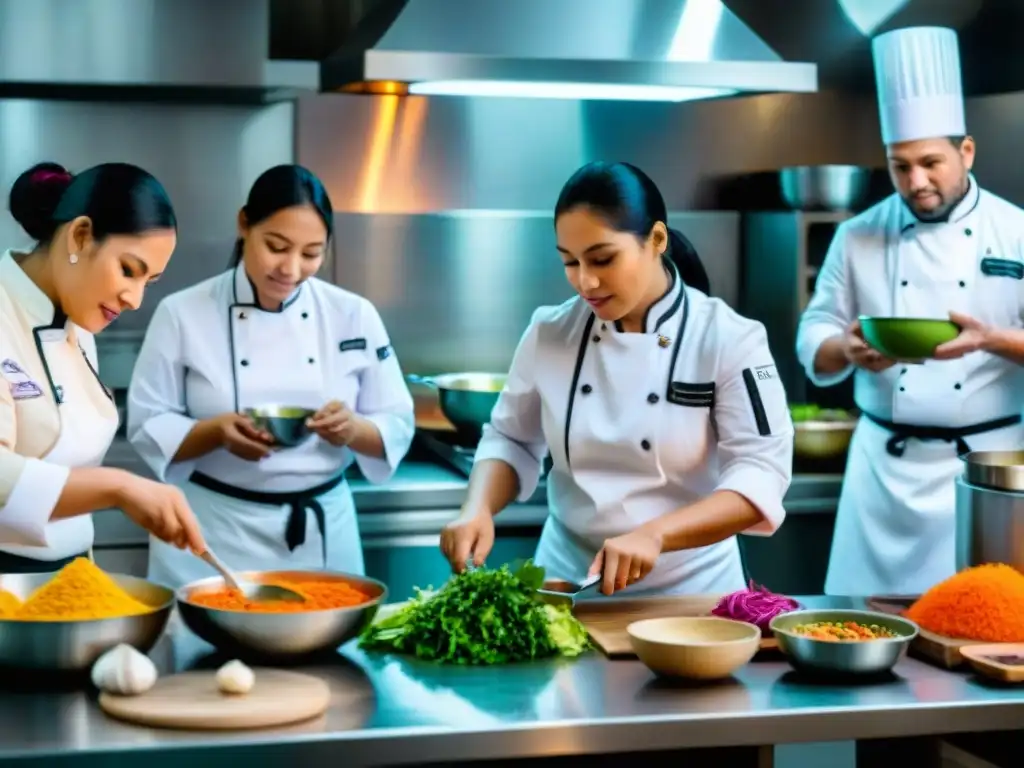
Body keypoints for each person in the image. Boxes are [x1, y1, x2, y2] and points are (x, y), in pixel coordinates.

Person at [439, 161, 793, 595]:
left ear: (656, 240)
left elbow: (760, 472)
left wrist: (655, 534)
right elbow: (510, 438)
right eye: (569, 262)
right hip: (568, 585)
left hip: (692, 594)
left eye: (603, 259)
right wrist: (477, 508)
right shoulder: (549, 333)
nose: (585, 282)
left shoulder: (729, 339)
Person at [796, 26, 1024, 597]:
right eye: (900, 167)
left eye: (931, 163)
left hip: (987, 475)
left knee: (981, 632)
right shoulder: (856, 235)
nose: (916, 182)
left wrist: (991, 339)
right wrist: (846, 350)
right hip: (881, 476)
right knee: (856, 625)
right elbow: (814, 333)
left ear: (966, 151)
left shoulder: (1016, 231)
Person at [127, 164, 415, 588]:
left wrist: (352, 429)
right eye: (276, 246)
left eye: (311, 253)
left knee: (327, 652)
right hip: (213, 532)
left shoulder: (352, 314)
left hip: (322, 536)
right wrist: (216, 432)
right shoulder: (182, 312)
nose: (291, 268)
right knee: (201, 652)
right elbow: (148, 423)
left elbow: (396, 422)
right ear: (244, 224)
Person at [0, 161, 206, 573]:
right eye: (129, 270)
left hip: (71, 578)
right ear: (80, 235)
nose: (134, 299)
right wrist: (119, 487)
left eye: (149, 282)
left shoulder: (78, 321)